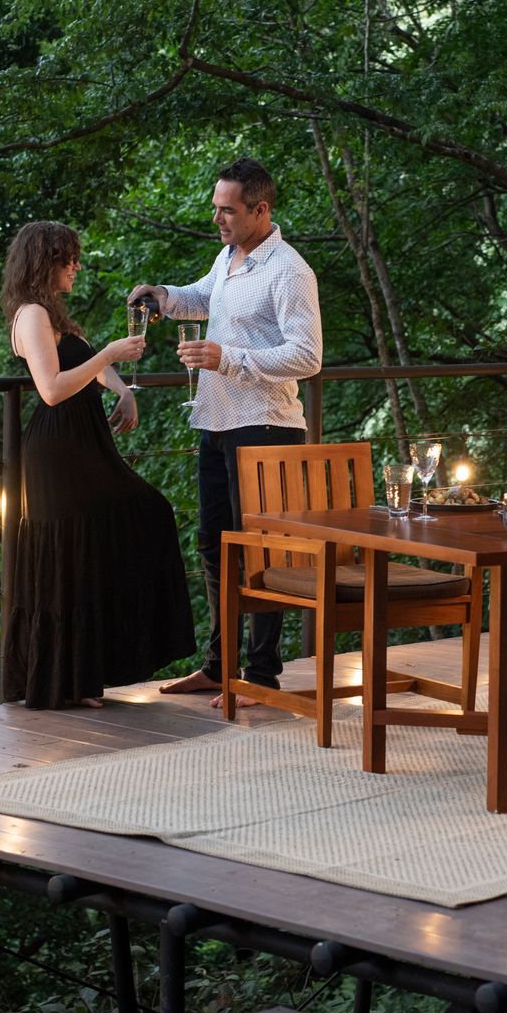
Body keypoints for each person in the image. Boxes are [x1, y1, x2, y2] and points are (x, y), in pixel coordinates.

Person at [131, 158, 322, 705]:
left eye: (227, 210)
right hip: (216, 420)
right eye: (216, 208)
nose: (217, 218)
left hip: (266, 427)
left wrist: (227, 357)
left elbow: (307, 356)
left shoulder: (290, 271)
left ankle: (260, 675)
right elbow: (206, 296)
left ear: (261, 210)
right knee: (214, 545)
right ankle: (221, 665)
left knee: (265, 552)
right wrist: (164, 295)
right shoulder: (230, 256)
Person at [1, 220, 197, 709]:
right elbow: (51, 387)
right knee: (77, 549)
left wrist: (121, 386)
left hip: (85, 444)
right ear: (47, 261)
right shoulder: (29, 315)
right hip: (59, 449)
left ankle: (84, 674)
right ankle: (61, 680)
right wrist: (110, 352)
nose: (77, 266)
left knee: (132, 521)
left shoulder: (54, 313)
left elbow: (84, 361)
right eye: (69, 258)